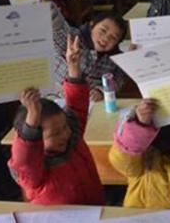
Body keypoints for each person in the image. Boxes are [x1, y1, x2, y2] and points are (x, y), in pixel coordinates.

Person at [8, 35, 104, 205]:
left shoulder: (72, 139)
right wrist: (33, 115)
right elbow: (25, 160)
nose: (66, 134)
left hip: (93, 208)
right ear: (37, 139)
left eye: (64, 127)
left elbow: (77, 105)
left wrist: (74, 67)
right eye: (55, 133)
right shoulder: (34, 170)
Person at [50, 0, 127, 100]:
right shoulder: (75, 38)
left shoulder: (114, 59)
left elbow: (118, 80)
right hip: (58, 95)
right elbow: (59, 29)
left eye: (113, 38)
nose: (106, 38)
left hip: (89, 101)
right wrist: (49, 8)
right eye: (103, 30)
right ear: (91, 25)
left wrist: (101, 91)